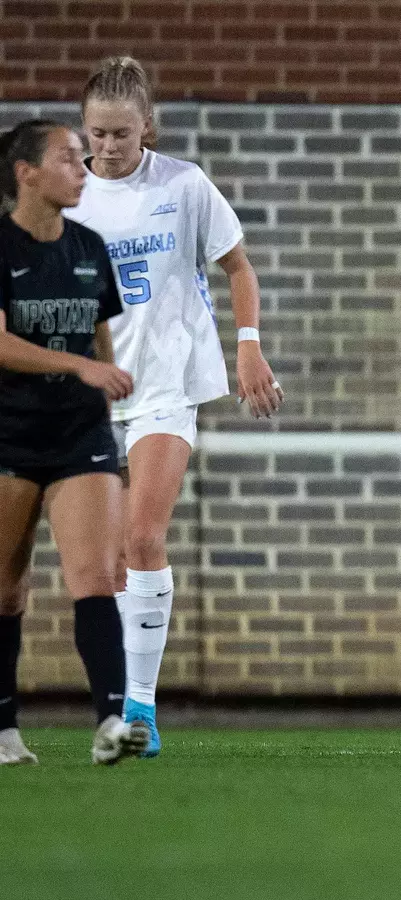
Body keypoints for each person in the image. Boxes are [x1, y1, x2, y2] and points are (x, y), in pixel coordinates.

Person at [65, 57, 282, 758]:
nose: (108, 147)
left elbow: (238, 266)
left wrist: (248, 346)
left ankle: (141, 711)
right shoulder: (70, 197)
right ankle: (119, 700)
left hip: (165, 385)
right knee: (107, 564)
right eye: (96, 133)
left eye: (122, 133)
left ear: (147, 127)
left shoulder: (184, 186)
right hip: (93, 394)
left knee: (144, 540)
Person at [0, 119, 148, 766]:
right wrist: (79, 365)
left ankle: (111, 722)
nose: (83, 169)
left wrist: (103, 389)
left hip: (79, 431)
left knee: (95, 576)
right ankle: (4, 729)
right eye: (67, 158)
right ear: (25, 173)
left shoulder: (89, 246)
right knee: (6, 588)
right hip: (9, 432)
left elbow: (100, 338)